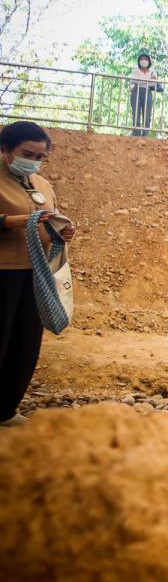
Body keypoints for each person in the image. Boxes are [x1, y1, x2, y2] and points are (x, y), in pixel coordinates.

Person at [0, 122, 76, 427]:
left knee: (26, 341)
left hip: (35, 272)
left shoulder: (42, 184)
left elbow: (48, 218)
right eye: (26, 153)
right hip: (3, 273)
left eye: (40, 156)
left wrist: (63, 229)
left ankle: (5, 408)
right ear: (6, 150)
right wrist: (13, 222)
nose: (33, 160)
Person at [128, 53, 161, 138]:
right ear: (139, 61)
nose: (143, 61)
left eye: (146, 59)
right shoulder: (135, 70)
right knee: (136, 113)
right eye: (142, 59)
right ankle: (136, 135)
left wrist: (141, 82)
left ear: (149, 61)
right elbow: (133, 81)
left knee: (147, 114)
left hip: (147, 92)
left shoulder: (152, 72)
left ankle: (145, 135)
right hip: (136, 92)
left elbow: (153, 83)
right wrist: (147, 81)